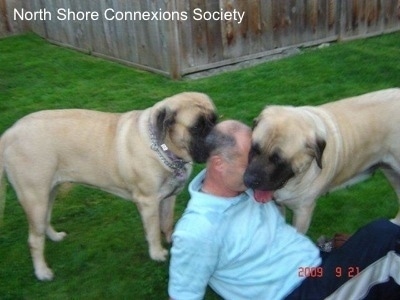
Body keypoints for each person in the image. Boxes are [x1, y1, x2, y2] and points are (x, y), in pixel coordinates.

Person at [168, 120, 400, 300]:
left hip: (319, 267)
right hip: (300, 292)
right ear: (219, 164)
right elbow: (183, 294)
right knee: (385, 240)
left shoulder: (247, 190)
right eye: (249, 162)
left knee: (383, 266)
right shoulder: (198, 230)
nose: (261, 170)